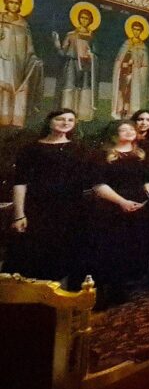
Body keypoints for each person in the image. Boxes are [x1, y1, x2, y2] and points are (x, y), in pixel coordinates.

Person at [7, 109, 86, 287]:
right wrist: (19, 214)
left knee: (65, 253)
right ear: (49, 121)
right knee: (35, 252)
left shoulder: (79, 148)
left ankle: (59, 299)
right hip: (38, 208)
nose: (65, 123)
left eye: (70, 120)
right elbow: (20, 182)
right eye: (60, 119)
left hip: (70, 210)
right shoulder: (31, 149)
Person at [89, 120, 149, 306]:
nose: (129, 132)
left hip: (138, 207)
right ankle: (100, 292)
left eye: (131, 129)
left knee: (128, 250)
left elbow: (148, 178)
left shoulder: (140, 155)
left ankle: (119, 289)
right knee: (109, 250)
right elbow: (98, 184)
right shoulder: (104, 155)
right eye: (124, 130)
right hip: (112, 207)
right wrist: (122, 202)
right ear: (115, 134)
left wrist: (145, 198)